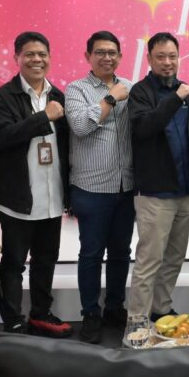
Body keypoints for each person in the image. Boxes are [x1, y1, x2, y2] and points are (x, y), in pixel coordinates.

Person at [0, 31, 72, 337]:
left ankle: (40, 314)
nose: (37, 59)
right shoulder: (4, 96)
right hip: (18, 198)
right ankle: (12, 320)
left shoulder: (58, 95)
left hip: (52, 196)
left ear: (49, 57)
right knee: (13, 263)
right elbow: (3, 137)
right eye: (30, 54)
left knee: (45, 260)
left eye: (42, 54)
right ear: (17, 58)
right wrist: (43, 117)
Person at [65, 31, 136, 344]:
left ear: (120, 56)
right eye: (100, 52)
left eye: (112, 52)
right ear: (88, 56)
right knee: (91, 253)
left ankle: (115, 308)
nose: (107, 57)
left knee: (121, 252)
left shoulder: (131, 87)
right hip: (91, 187)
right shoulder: (76, 89)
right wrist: (110, 99)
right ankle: (90, 313)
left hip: (126, 185)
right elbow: (81, 126)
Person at [129, 32, 189, 320]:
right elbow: (144, 128)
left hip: (185, 190)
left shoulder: (187, 92)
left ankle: (161, 310)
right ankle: (137, 321)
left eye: (172, 56)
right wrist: (174, 99)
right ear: (149, 59)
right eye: (161, 57)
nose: (167, 62)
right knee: (149, 260)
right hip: (155, 193)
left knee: (174, 258)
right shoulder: (140, 92)